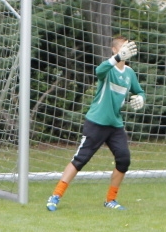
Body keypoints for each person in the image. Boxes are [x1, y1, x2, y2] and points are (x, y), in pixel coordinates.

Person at [45, 35, 144, 211]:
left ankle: (110, 200)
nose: (126, 50)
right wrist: (118, 58)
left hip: (115, 125)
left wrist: (140, 98)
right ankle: (55, 196)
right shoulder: (109, 68)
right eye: (122, 47)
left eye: (128, 47)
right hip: (97, 122)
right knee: (80, 159)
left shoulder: (129, 73)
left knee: (124, 160)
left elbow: (139, 91)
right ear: (114, 50)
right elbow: (99, 71)